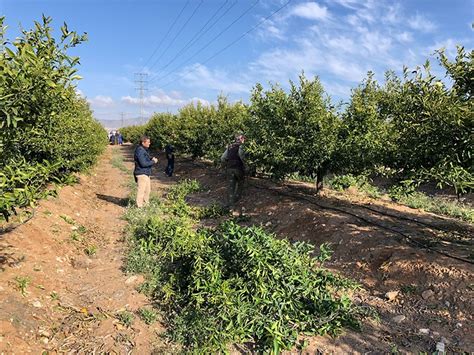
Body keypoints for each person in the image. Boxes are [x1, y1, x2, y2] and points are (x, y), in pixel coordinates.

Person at [221, 133, 246, 215]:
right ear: (241, 139)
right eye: (243, 139)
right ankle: (236, 202)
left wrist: (224, 166)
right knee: (240, 184)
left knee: (230, 187)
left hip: (229, 169)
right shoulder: (241, 147)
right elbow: (242, 157)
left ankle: (230, 207)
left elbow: (223, 158)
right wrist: (246, 166)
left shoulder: (230, 147)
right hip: (238, 169)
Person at [134, 135, 158, 207]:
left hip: (146, 173)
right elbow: (143, 163)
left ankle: (145, 204)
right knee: (141, 191)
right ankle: (139, 206)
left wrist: (151, 158)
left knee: (147, 190)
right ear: (143, 142)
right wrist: (153, 161)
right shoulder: (140, 150)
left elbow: (145, 157)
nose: (149, 143)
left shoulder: (143, 149)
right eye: (148, 142)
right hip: (141, 173)